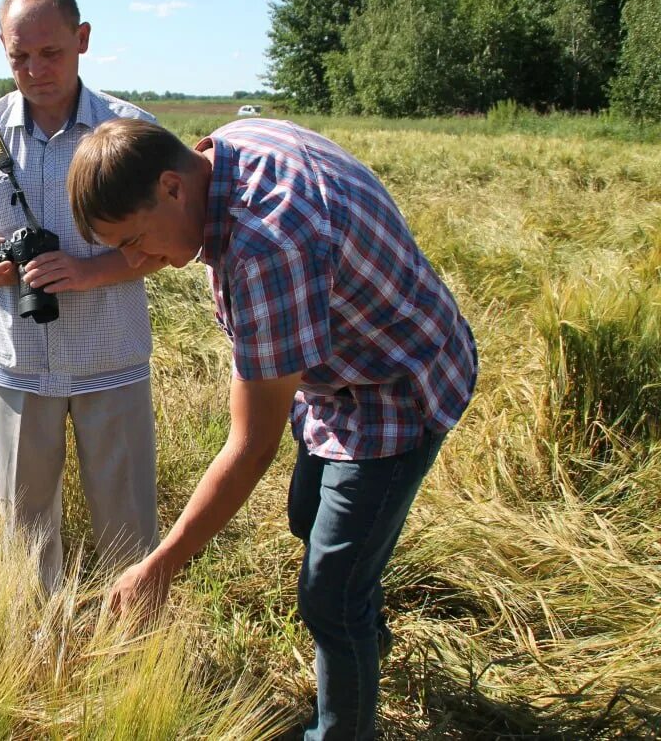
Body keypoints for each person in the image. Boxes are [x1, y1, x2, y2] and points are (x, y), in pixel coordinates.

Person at [66, 116, 477, 741]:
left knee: (331, 596)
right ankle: (363, 641)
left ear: (173, 187)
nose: (135, 261)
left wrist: (159, 567)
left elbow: (252, 445)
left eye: (135, 239)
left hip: (394, 386)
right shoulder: (227, 147)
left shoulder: (268, 247)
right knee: (309, 518)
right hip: (340, 374)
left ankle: (344, 718)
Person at [0, 0, 164, 592]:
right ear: (3, 52)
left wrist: (88, 272)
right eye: (19, 57)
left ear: (82, 41)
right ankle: (37, 644)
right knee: (24, 528)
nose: (35, 70)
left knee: (128, 526)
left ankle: (137, 650)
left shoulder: (130, 129)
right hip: (17, 363)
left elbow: (171, 240)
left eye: (51, 52)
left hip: (110, 358)